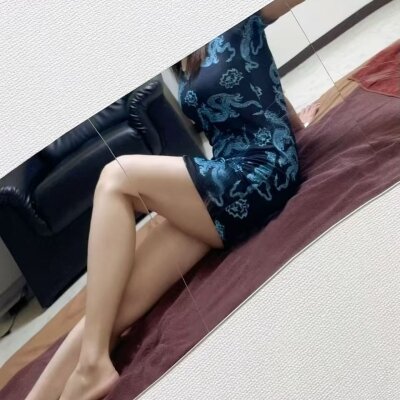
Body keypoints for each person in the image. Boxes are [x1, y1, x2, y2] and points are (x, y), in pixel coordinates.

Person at [25, 1, 314, 399]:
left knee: (116, 178)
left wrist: (295, 130)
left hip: (259, 173)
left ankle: (93, 364)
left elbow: (263, 80)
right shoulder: (185, 55)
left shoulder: (242, 14)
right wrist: (294, 121)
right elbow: (255, 83)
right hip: (225, 182)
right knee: (108, 308)